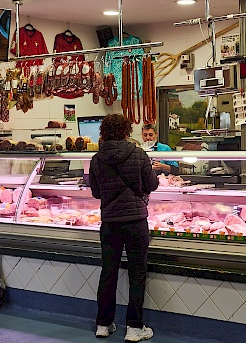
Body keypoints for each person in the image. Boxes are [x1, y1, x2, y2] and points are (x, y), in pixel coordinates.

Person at [90, 114, 158, 342]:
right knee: (137, 274)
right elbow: (152, 184)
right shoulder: (138, 154)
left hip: (109, 223)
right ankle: (134, 327)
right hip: (136, 222)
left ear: (104, 132)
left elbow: (96, 192)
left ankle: (103, 324)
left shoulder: (97, 158)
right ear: (127, 131)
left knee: (108, 273)